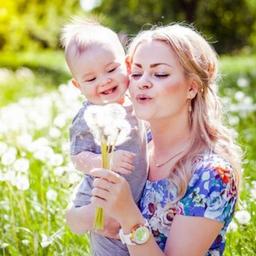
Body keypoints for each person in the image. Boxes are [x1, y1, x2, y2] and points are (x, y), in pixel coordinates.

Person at [89, 24, 242, 255]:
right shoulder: (132, 147)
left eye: (160, 74)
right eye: (136, 73)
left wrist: (128, 215)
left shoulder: (211, 175)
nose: (143, 82)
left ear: (192, 87)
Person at [60, 18, 148, 256]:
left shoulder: (137, 103)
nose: (104, 80)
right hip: (99, 202)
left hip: (134, 201)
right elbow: (78, 157)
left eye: (111, 69)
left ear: (128, 65)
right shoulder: (88, 116)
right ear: (78, 86)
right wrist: (104, 161)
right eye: (91, 79)